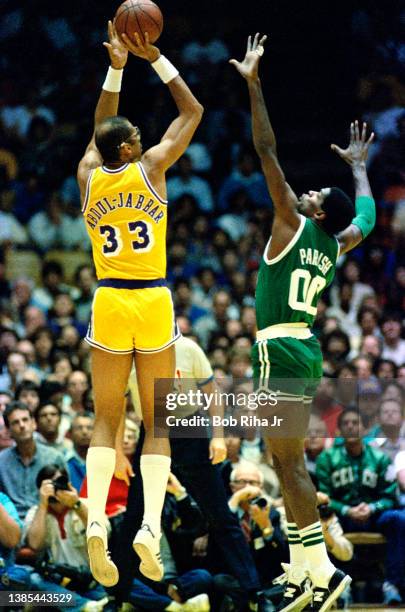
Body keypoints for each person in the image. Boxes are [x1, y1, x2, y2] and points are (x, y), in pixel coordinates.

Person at [230, 33, 376, 611]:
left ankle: (318, 571)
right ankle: (302, 571)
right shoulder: (335, 243)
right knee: (282, 461)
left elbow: (266, 150)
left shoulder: (291, 224)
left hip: (283, 350)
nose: (307, 189)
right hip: (303, 347)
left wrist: (254, 84)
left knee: (288, 464)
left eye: (315, 191)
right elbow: (363, 213)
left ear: (314, 209)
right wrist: (361, 167)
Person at [76, 21, 203, 587]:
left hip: (108, 300)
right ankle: (149, 527)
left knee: (107, 418)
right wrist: (155, 59)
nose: (142, 137)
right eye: (136, 135)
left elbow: (96, 134)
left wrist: (115, 68)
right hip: (152, 300)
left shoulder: (87, 176)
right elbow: (192, 112)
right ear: (130, 148)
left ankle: (98, 517)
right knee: (158, 421)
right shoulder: (152, 167)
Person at [111, 334, 266, 611]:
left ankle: (254, 594)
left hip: (191, 427)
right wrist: (119, 452)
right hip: (153, 429)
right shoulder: (129, 356)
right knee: (135, 517)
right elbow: (119, 406)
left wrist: (218, 437)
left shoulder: (188, 348)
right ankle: (119, 597)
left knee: (220, 516)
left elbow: (213, 394)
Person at [316, 408, 405, 605]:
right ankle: (334, 585)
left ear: (365, 429)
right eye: (345, 423)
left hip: (372, 517)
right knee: (319, 519)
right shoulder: (327, 458)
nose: (350, 426)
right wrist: (347, 509)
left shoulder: (380, 458)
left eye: (355, 423)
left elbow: (390, 496)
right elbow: (325, 497)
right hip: (341, 516)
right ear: (338, 431)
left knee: (399, 519)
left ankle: (392, 584)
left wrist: (372, 508)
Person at [25, 464, 108, 612]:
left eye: (59, 481)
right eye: (50, 484)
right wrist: (43, 504)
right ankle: (85, 606)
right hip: (58, 584)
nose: (56, 487)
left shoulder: (86, 504)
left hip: (92, 580)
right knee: (34, 581)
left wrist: (76, 504)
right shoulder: (36, 512)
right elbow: (35, 544)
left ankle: (84, 606)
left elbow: (104, 533)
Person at [0, 401, 67, 519]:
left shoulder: (54, 457)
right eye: (15, 422)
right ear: (8, 430)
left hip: (47, 519)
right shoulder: (1, 461)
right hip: (12, 523)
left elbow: (65, 495)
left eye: (25, 420)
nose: (22, 425)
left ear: (34, 424)